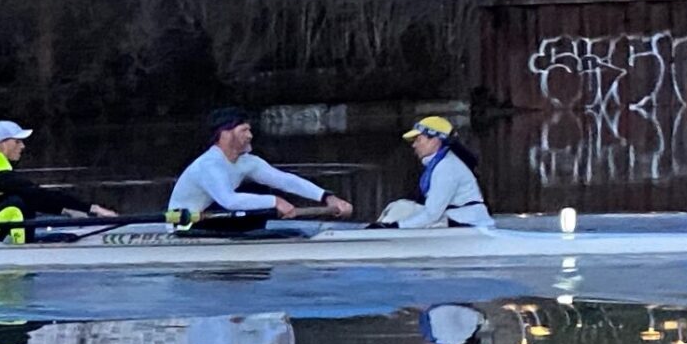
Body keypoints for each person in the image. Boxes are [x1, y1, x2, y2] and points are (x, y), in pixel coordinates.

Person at [167, 107, 353, 233]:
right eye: (244, 130)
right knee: (260, 196)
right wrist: (275, 201)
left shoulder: (248, 162)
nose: (250, 136)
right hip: (185, 225)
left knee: (260, 191)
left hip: (213, 217)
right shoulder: (209, 165)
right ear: (224, 134)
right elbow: (229, 201)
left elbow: (285, 180)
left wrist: (327, 197)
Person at [0, 120, 117, 240]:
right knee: (16, 205)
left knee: (24, 200)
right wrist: (92, 208)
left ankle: (24, 244)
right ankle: (24, 253)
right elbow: (36, 192)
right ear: (2, 144)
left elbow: (34, 197)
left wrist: (67, 211)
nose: (23, 146)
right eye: (17, 141)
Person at [378, 115, 494, 231]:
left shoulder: (447, 167)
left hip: (469, 226)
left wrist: (396, 226)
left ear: (435, 140)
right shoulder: (442, 164)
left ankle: (381, 236)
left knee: (402, 209)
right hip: (456, 221)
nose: (414, 145)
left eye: (418, 140)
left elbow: (432, 214)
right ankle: (379, 232)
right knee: (400, 207)